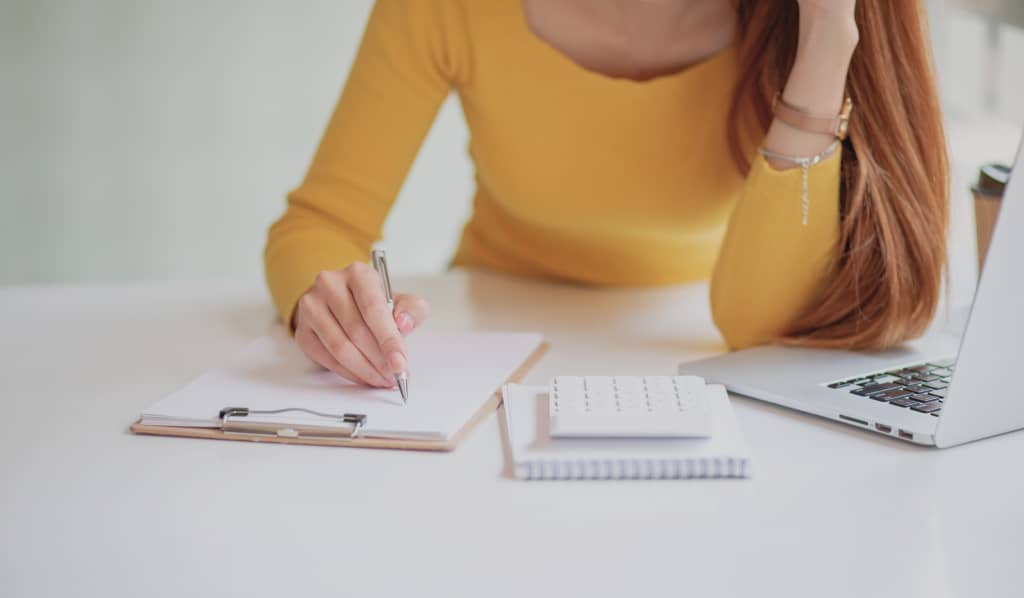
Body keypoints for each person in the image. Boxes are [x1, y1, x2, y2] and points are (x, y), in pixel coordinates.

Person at [264, 0, 948, 389]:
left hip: (689, 372)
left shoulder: (790, 19)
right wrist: (323, 305)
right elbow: (320, 223)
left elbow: (753, 328)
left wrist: (828, 37)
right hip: (491, 352)